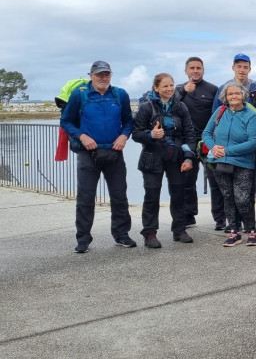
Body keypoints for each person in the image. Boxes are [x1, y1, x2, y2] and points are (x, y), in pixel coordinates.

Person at [60, 61, 135, 253]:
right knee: (85, 198)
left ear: (111, 75)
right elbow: (66, 121)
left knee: (119, 196)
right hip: (88, 154)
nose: (103, 78)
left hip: (114, 153)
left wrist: (123, 136)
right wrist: (82, 136)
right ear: (90, 75)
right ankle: (83, 239)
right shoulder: (80, 95)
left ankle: (122, 235)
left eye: (107, 74)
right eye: (99, 74)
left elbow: (128, 121)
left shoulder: (120, 94)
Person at [132, 73, 198, 248]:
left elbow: (190, 134)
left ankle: (179, 229)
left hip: (175, 157)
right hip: (152, 157)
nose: (169, 89)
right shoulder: (147, 107)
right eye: (165, 86)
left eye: (171, 85)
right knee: (152, 196)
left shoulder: (181, 107)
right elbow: (136, 134)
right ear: (156, 88)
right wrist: (151, 135)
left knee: (178, 195)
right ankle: (150, 233)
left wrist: (189, 157)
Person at [203, 81, 256, 247]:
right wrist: (214, 147)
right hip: (219, 162)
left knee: (242, 198)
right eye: (230, 94)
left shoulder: (250, 115)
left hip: (243, 163)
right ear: (225, 97)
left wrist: (227, 150)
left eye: (237, 93)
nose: (233, 96)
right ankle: (233, 231)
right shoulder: (220, 112)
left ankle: (251, 230)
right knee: (228, 197)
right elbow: (206, 133)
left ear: (243, 95)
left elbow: (253, 142)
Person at [175, 57, 226, 230]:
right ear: (186, 71)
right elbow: (170, 108)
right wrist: (182, 92)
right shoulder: (177, 90)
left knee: (215, 180)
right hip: (186, 141)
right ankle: (189, 215)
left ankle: (220, 218)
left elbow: (220, 114)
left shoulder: (212, 89)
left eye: (198, 68)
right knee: (187, 179)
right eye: (192, 68)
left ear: (203, 70)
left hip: (207, 140)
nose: (195, 71)